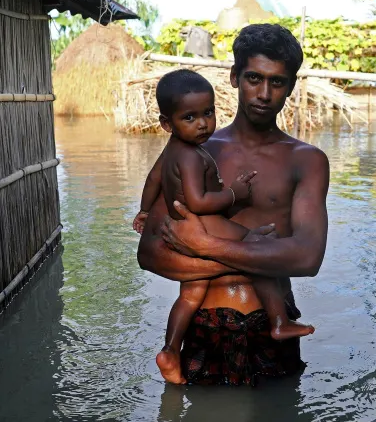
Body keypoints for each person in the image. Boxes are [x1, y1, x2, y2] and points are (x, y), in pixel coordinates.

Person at [136, 24, 330, 386]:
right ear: (234, 77)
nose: (264, 93)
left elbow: (307, 258)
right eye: (254, 78)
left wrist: (205, 246)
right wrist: (260, 257)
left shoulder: (308, 160)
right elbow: (149, 254)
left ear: (290, 87)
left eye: (277, 82)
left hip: (272, 323)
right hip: (204, 323)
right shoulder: (194, 153)